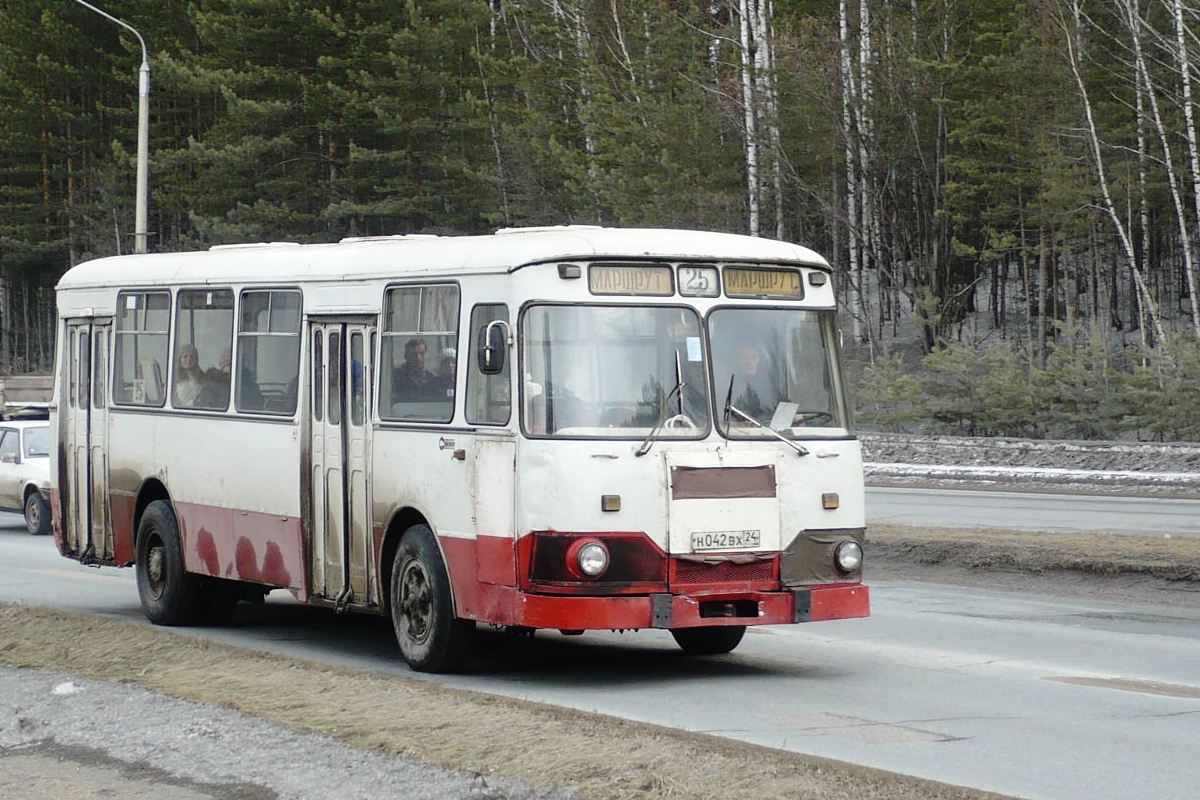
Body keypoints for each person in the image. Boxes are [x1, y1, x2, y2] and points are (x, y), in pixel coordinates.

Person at [727, 341, 781, 423]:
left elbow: (781, 401)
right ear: (737, 361)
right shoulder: (731, 383)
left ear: (759, 359)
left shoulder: (766, 382)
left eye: (754, 357)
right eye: (745, 358)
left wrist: (795, 414)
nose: (750, 362)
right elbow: (730, 413)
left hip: (767, 431)